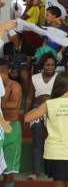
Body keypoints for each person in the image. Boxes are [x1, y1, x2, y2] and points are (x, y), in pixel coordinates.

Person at [24, 72, 68, 187]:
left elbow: (27, 118)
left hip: (53, 153)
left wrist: (41, 108)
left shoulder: (49, 104)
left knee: (58, 184)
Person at [24, 53, 58, 181]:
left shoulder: (58, 77)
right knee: (37, 143)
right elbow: (29, 97)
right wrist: (27, 114)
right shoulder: (35, 78)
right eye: (47, 65)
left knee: (54, 141)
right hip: (37, 110)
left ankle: (54, 169)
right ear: (42, 65)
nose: (50, 67)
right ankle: (36, 170)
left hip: (54, 111)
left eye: (52, 65)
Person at [0, 58, 22, 187]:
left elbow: (13, 105)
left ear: (4, 73)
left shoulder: (14, 85)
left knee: (8, 170)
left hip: (11, 127)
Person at [3, 31, 32, 97]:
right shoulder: (7, 46)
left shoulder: (27, 46)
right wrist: (10, 71)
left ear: (16, 35)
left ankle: (28, 98)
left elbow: (28, 65)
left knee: (24, 73)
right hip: (11, 69)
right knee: (4, 74)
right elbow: (6, 63)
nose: (7, 35)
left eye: (10, 33)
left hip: (23, 69)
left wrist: (18, 70)